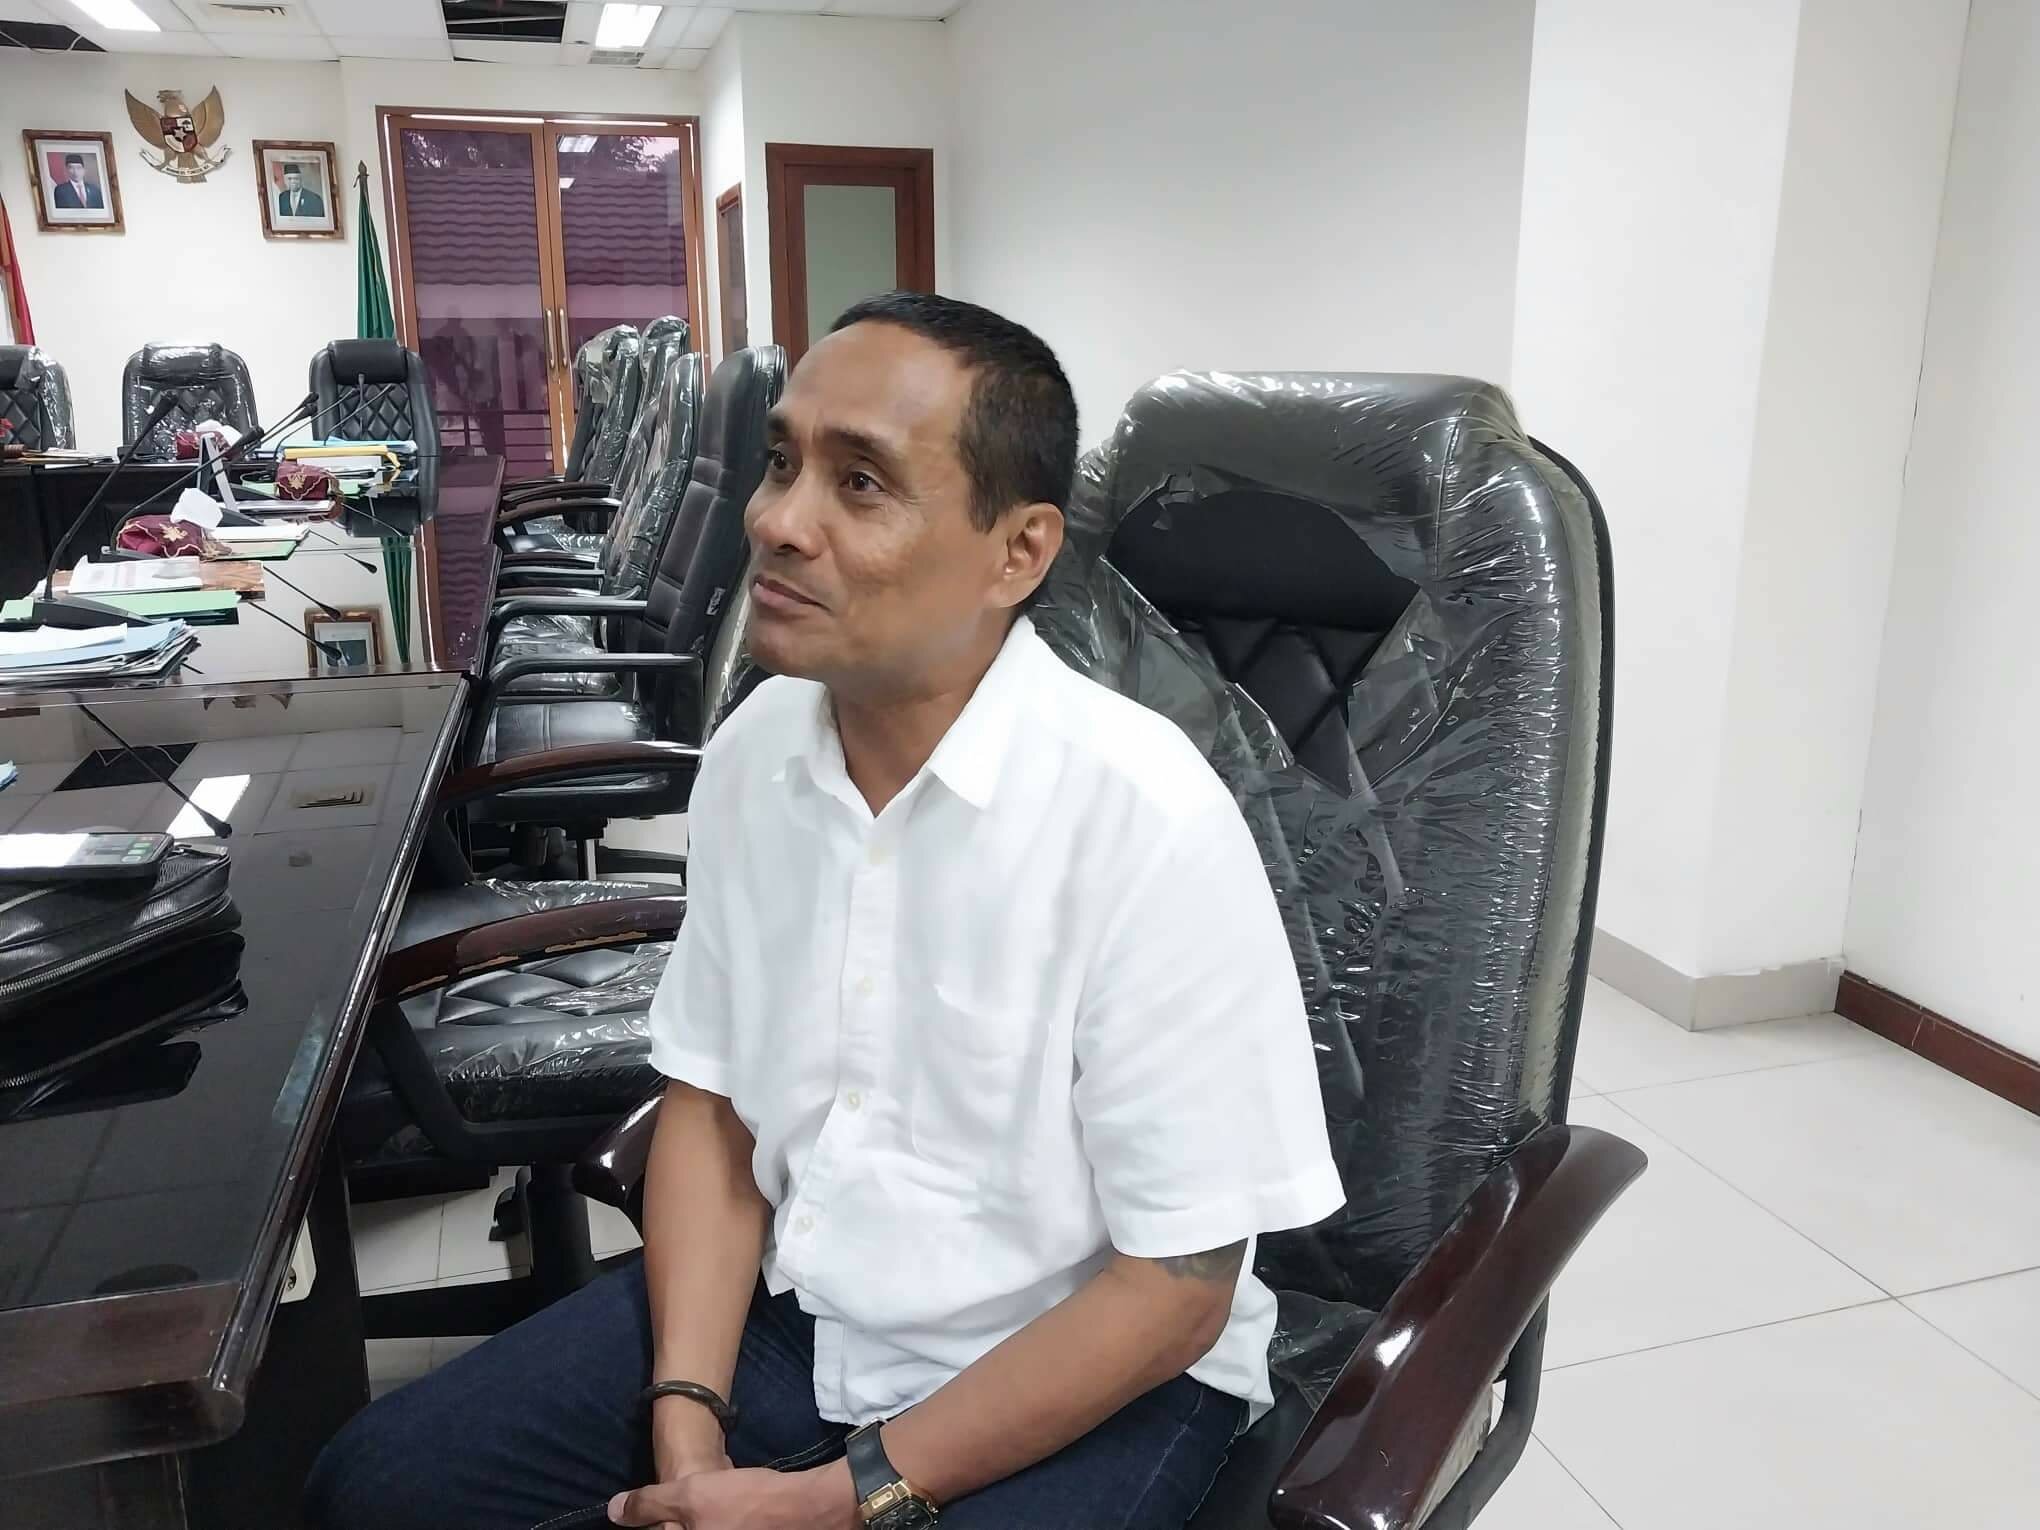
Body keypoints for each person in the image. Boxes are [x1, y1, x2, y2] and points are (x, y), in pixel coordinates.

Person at [305, 292, 1343, 1530]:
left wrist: (838, 1499)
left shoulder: (1144, 817)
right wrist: (685, 1417)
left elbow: (1177, 1288)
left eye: (861, 484)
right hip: (814, 1305)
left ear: (1018, 553)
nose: (777, 522)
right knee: (374, 1488)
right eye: (782, 462)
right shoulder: (758, 752)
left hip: (1092, 1364)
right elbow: (710, 1106)